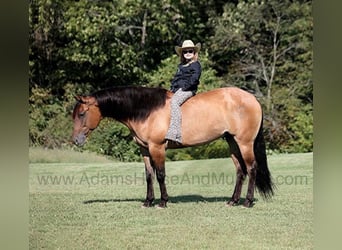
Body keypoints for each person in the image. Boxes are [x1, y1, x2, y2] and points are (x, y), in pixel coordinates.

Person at [165, 39, 202, 144]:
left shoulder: (196, 64)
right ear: (182, 54)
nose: (188, 53)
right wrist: (172, 89)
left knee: (174, 102)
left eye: (190, 51)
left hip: (188, 89)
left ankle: (175, 133)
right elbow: (176, 79)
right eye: (185, 52)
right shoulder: (181, 66)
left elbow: (194, 79)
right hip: (177, 90)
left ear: (194, 53)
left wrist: (184, 88)